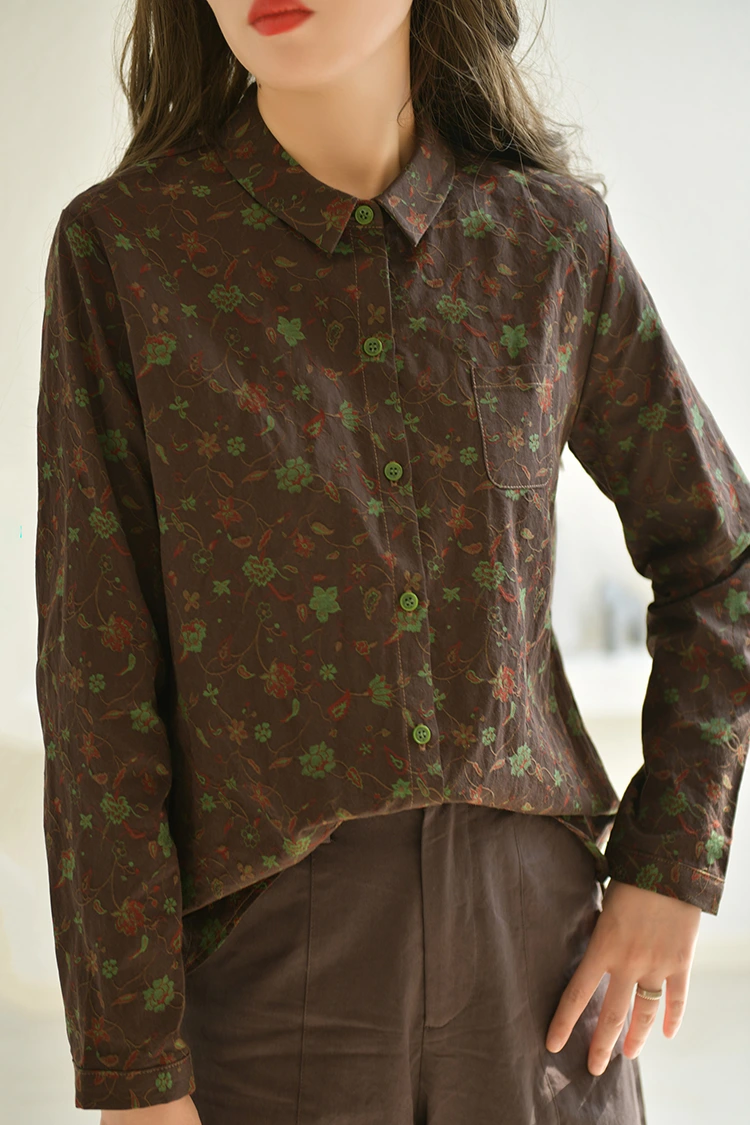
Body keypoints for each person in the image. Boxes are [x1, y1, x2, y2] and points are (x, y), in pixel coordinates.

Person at [34, 1, 750, 1123]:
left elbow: (723, 557)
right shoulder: (126, 254)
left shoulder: (550, 243)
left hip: (540, 973)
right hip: (264, 979)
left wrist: (673, 861)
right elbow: (97, 685)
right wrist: (134, 1070)